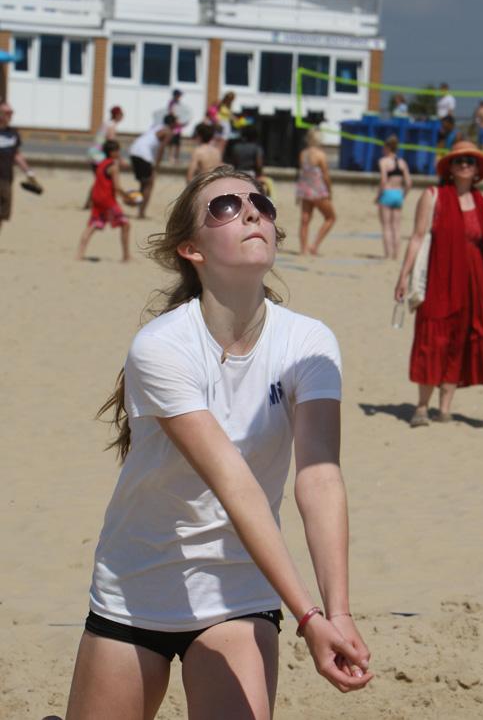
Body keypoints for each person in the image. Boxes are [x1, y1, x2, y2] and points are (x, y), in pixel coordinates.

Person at [63, 165, 372, 719]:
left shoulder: (309, 341)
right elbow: (235, 484)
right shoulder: (161, 347)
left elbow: (319, 475)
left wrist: (338, 612)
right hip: (137, 585)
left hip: (238, 592)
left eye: (261, 203)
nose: (252, 210)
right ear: (192, 249)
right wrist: (308, 618)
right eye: (225, 207)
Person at [395, 140, 483, 427]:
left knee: (459, 342)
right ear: (449, 168)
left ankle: (445, 408)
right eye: (459, 160)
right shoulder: (433, 195)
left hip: (474, 284)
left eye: (470, 161)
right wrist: (403, 275)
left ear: (477, 169)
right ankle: (421, 407)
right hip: (438, 280)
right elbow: (416, 237)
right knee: (432, 338)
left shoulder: (481, 202)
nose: (465, 164)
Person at [76, 140, 131, 262]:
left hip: (96, 198)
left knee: (92, 226)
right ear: (112, 152)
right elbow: (117, 187)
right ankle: (126, 257)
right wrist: (128, 197)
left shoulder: (101, 164)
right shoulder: (113, 166)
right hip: (107, 200)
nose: (118, 152)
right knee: (126, 224)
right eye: (117, 150)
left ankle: (79, 254)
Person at [0, 100, 38, 235]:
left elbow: (16, 155)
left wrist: (28, 171)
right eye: (7, 112)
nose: (10, 115)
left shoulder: (13, 133)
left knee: (2, 213)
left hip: (6, 178)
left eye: (11, 112)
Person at [296, 129, 336, 256]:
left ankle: (303, 249)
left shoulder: (303, 153)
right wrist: (329, 191)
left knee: (305, 220)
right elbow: (326, 175)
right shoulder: (320, 154)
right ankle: (314, 246)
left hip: (305, 189)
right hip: (318, 190)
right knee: (331, 217)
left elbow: (302, 174)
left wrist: (297, 193)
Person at [129, 115, 176, 219]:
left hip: (134, 150)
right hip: (143, 154)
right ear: (172, 123)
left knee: (143, 183)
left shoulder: (157, 126)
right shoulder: (168, 132)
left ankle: (135, 204)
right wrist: (157, 167)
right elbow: (161, 149)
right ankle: (141, 212)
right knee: (149, 184)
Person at [376, 135, 412, 260]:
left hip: (387, 193)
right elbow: (409, 183)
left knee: (386, 226)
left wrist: (378, 196)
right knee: (396, 226)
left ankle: (388, 255)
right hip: (398, 194)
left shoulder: (383, 161)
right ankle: (396, 255)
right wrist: (403, 195)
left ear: (387, 148)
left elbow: (383, 180)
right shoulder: (402, 162)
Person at [85, 105, 124, 208]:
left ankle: (89, 203)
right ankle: (92, 203)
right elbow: (112, 145)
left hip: (93, 153)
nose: (122, 117)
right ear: (117, 115)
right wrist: (120, 159)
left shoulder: (106, 123)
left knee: (98, 179)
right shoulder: (111, 125)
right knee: (102, 179)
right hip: (98, 155)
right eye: (121, 114)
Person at [167, 89, 186, 164]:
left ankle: (176, 158)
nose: (180, 97)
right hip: (174, 126)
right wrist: (176, 120)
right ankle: (171, 157)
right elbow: (172, 113)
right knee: (172, 142)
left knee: (178, 143)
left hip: (178, 126)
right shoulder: (172, 103)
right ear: (176, 95)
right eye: (179, 95)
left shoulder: (179, 103)